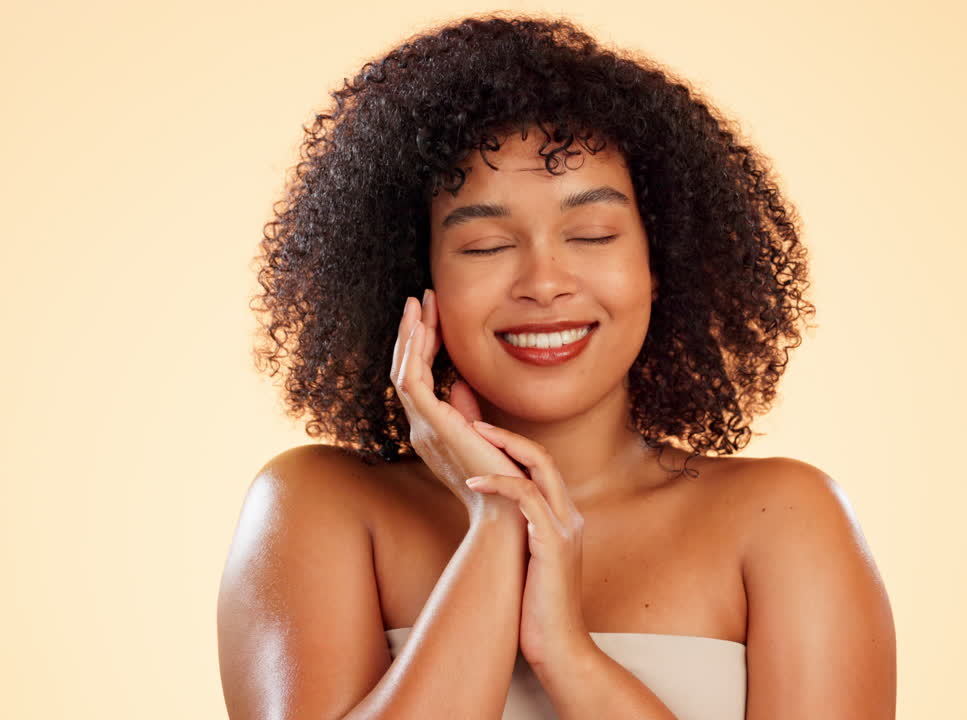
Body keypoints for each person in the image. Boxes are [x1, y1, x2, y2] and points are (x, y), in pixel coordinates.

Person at [218, 12, 895, 720]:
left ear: (660, 264)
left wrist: (568, 653)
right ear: (417, 283)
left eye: (593, 234)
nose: (545, 282)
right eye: (484, 245)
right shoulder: (318, 506)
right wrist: (495, 523)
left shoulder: (786, 521)